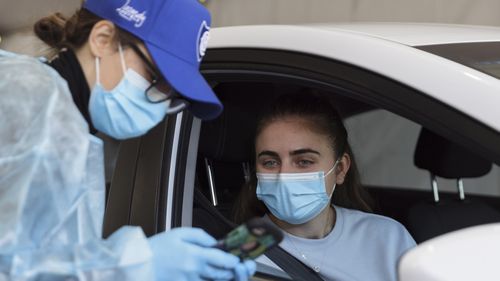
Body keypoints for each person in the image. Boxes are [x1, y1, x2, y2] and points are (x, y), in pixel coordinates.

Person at [0, 0, 255, 280]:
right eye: (154, 77)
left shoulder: (68, 127)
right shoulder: (31, 103)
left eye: (170, 95)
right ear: (102, 39)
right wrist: (134, 264)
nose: (158, 104)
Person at [233, 91, 416, 281]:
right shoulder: (238, 250)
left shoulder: (387, 238)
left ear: (340, 169)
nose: (284, 175)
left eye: (304, 161)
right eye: (270, 162)